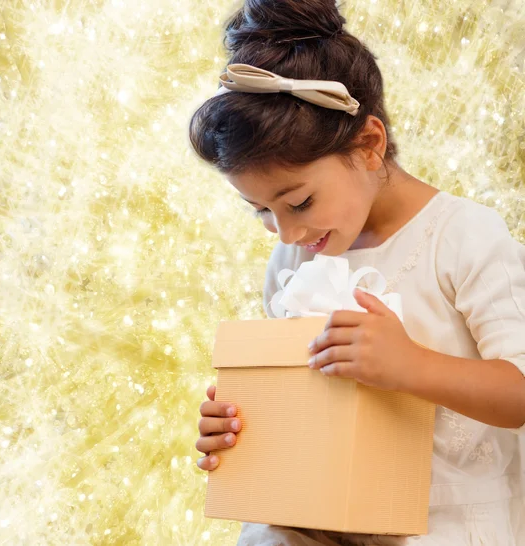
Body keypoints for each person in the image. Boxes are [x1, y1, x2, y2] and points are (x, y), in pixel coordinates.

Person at [188, 1, 525, 544]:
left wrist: (410, 364)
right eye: (262, 212)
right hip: (325, 515)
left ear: (369, 145)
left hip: (443, 521)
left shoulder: (463, 238)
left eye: (298, 202)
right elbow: (303, 401)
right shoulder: (292, 263)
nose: (287, 233)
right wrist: (240, 425)